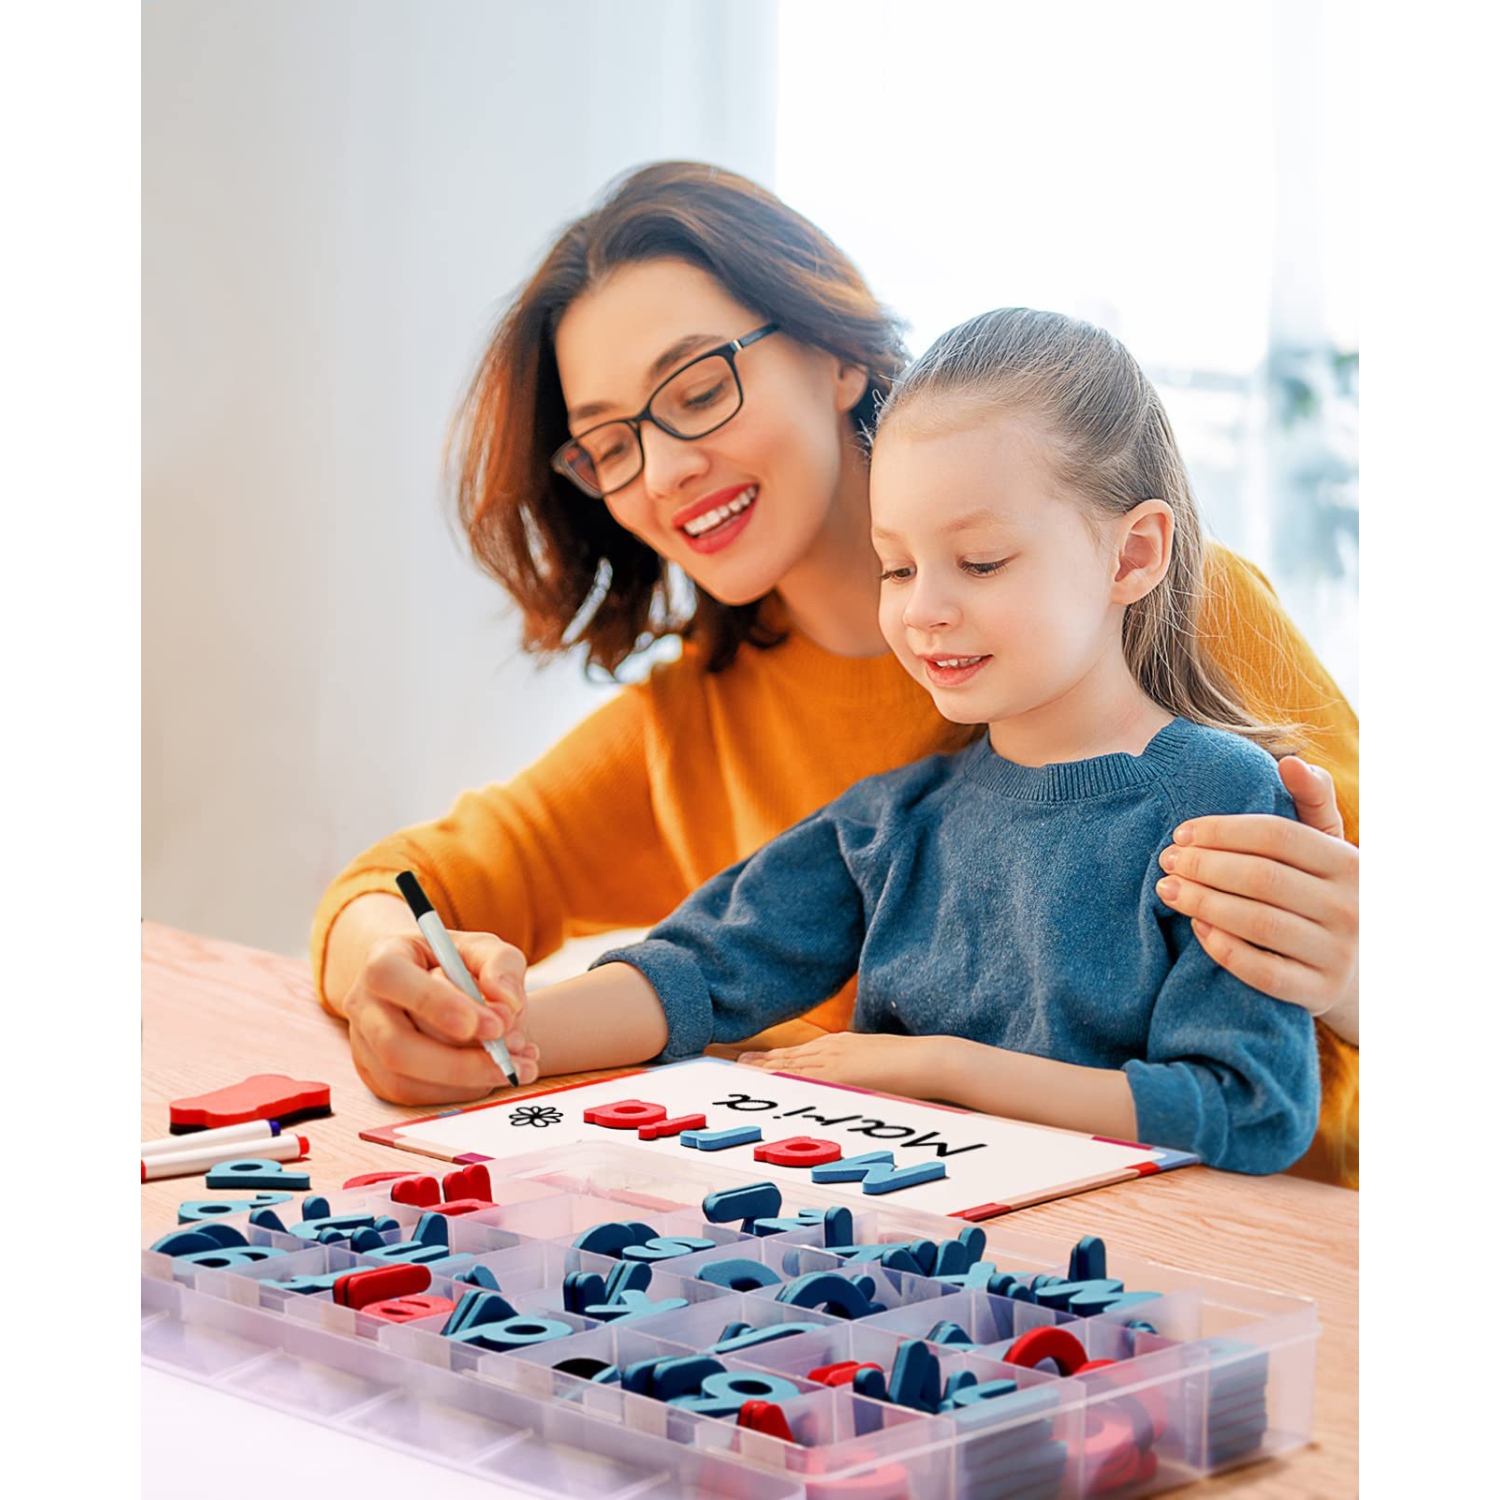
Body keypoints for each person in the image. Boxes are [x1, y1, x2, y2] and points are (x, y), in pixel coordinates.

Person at [311, 163, 1357, 1183]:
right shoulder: (743, 749)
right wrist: (424, 1002)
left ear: (835, 355)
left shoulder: (1184, 629)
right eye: (609, 445)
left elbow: (1269, 1087)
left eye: (698, 388)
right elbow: (439, 895)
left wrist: (1359, 971)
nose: (666, 467)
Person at [462, 307, 1323, 1175]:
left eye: (980, 562)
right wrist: (492, 1029)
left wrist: (944, 1071)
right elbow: (698, 970)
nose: (922, 611)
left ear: (1132, 556)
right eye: (897, 567)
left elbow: (1252, 1108)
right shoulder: (891, 824)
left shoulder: (1224, 805)